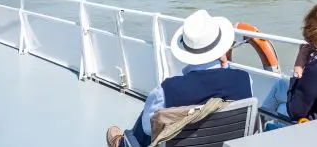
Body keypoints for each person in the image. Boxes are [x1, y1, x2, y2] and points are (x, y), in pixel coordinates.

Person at [106, 10, 252, 147]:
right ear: (222, 48)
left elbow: (148, 130)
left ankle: (122, 143)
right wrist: (225, 66)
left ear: (187, 49)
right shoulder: (244, 79)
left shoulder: (166, 91)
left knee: (147, 119)